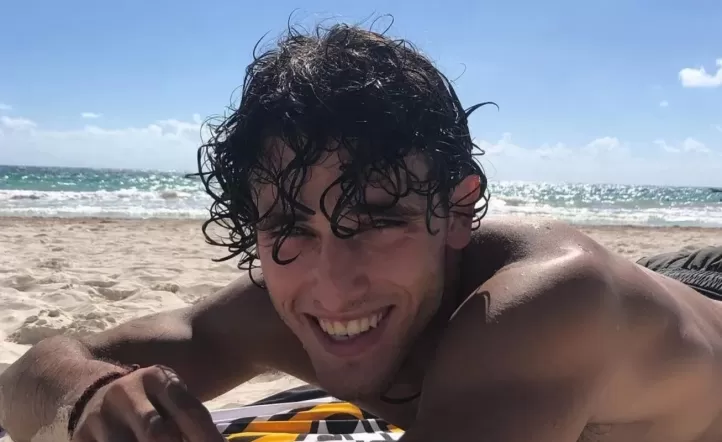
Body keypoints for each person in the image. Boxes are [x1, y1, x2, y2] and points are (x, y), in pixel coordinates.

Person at [2, 22, 722, 442]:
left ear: (459, 212)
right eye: (290, 225)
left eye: (378, 222)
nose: (334, 286)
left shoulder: (545, 310)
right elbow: (28, 374)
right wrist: (87, 397)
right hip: (652, 290)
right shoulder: (292, 306)